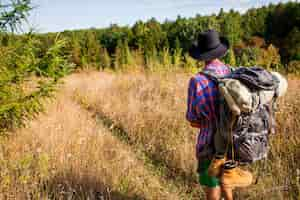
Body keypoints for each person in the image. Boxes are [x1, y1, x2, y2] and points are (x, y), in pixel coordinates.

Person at [186, 29, 253, 200]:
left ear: (201, 55)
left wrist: (210, 122)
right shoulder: (233, 72)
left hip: (209, 145)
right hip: (233, 141)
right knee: (227, 181)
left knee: (213, 187)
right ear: (219, 51)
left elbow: (193, 120)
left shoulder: (197, 81)